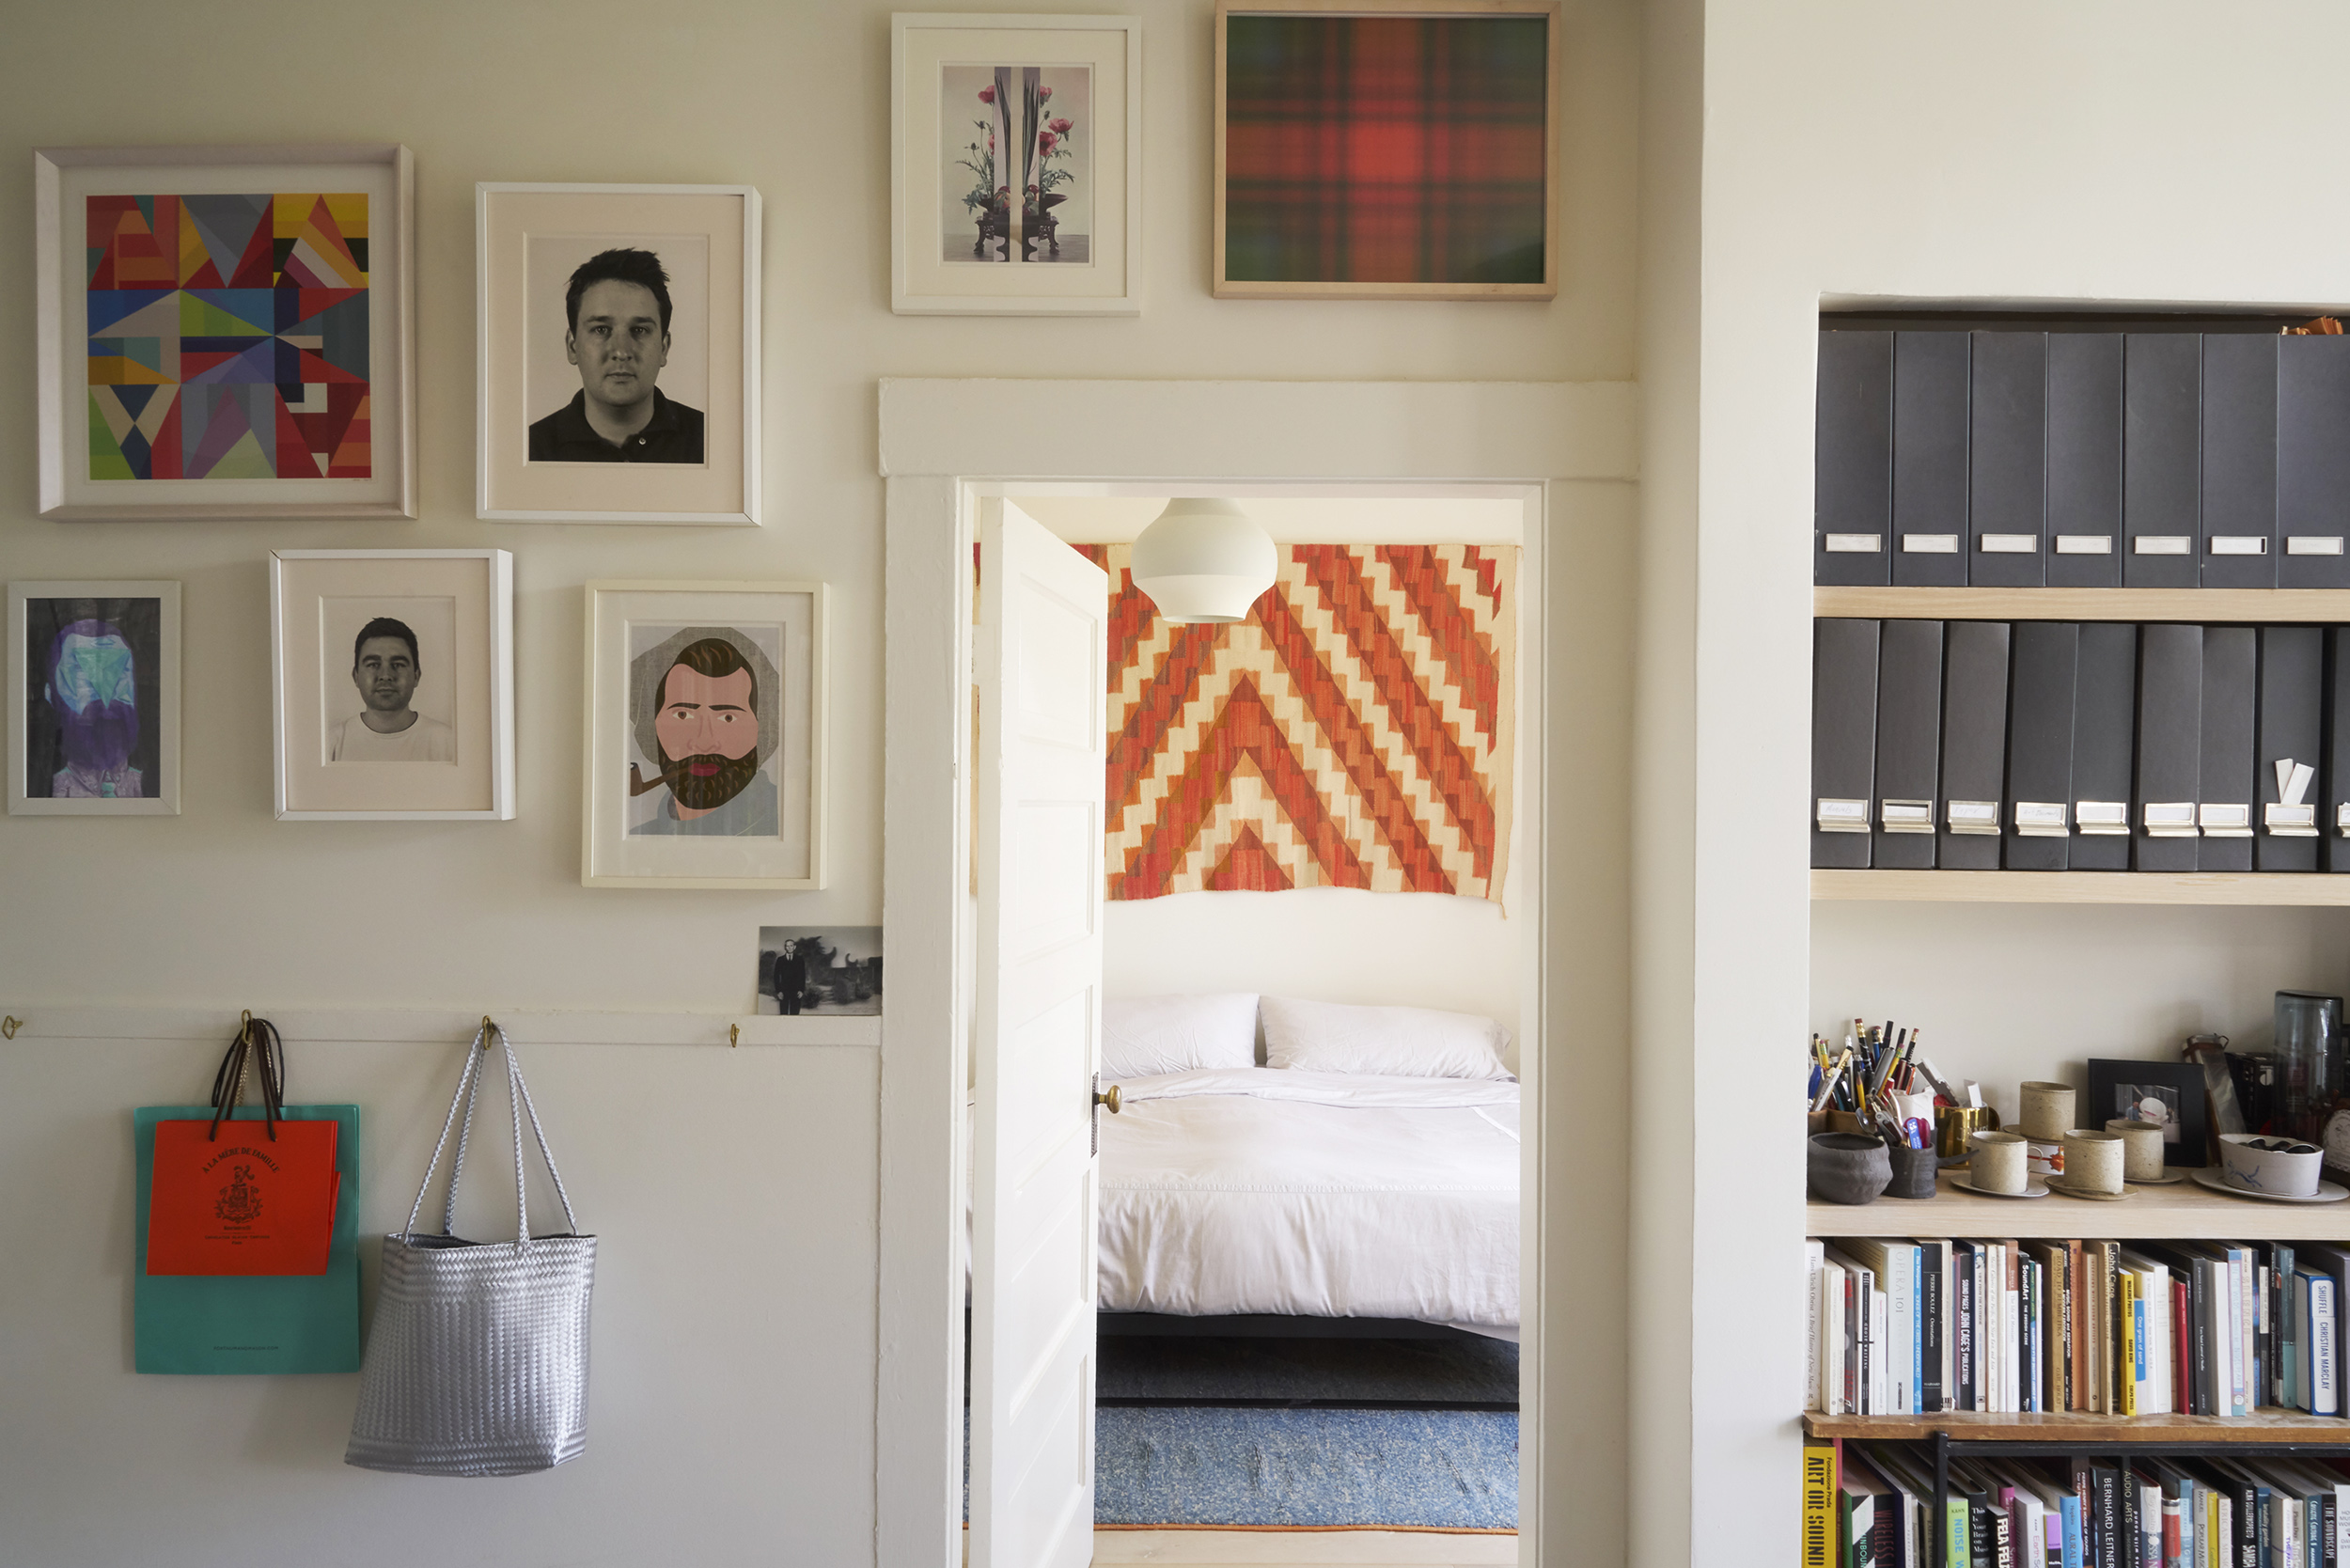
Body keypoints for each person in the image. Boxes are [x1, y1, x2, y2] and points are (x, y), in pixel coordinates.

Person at [527, 247, 705, 463]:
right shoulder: (530, 449)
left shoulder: (709, 440)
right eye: (601, 329)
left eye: (639, 330)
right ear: (572, 346)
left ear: (664, 347)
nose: (621, 352)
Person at [629, 635, 777, 836]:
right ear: (650, 727)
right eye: (683, 715)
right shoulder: (641, 838)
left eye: (727, 717)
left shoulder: (783, 825)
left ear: (762, 729)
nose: (705, 742)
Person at [40, 617, 143, 798]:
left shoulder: (155, 784)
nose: (106, 696)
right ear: (51, 695)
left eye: (119, 673)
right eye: (82, 674)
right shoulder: (43, 789)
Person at [331, 617, 456, 762]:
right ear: (356, 676)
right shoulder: (332, 744)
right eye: (373, 664)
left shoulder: (448, 744)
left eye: (398, 664)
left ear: (417, 676)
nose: (385, 675)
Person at [774, 941, 807, 1015]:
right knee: (783, 1015)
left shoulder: (799, 959)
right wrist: (778, 991)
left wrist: (801, 990)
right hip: (783, 991)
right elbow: (776, 976)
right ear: (785, 947)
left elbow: (802, 976)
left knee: (795, 1015)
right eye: (787, 946)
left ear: (794, 947)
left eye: (791, 946)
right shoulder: (780, 960)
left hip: (796, 991)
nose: (789, 948)